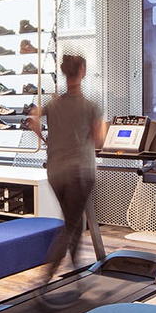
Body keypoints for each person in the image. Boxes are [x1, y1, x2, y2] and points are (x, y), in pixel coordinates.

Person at [27, 53, 104, 284]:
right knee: (70, 225)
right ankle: (46, 276)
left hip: (55, 172)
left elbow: (32, 119)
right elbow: (100, 141)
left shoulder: (53, 104)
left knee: (74, 220)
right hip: (79, 173)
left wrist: (45, 139)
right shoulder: (90, 106)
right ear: (82, 71)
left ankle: (76, 268)